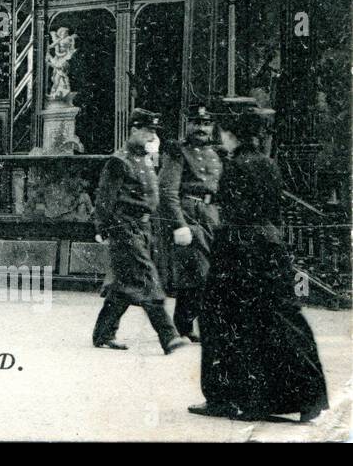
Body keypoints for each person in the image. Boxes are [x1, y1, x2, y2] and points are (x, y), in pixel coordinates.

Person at [190, 105, 329, 422]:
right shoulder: (269, 164)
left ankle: (226, 397)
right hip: (271, 248)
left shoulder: (235, 166)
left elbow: (233, 215)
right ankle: (308, 396)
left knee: (221, 320)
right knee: (280, 319)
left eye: (222, 132)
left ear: (230, 134)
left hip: (240, 251)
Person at [90, 110, 187, 355]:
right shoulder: (119, 161)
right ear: (133, 130)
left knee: (123, 284)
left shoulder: (145, 160)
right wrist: (102, 228)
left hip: (144, 228)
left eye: (153, 132)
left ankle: (103, 333)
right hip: (125, 228)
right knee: (147, 278)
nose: (151, 136)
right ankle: (169, 336)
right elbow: (104, 200)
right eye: (147, 131)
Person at [156, 104, 221, 342]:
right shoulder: (178, 152)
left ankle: (185, 325)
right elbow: (167, 191)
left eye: (206, 124)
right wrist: (179, 224)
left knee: (204, 273)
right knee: (197, 272)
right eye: (197, 123)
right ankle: (185, 325)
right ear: (189, 125)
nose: (202, 128)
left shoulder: (216, 154)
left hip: (211, 215)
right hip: (189, 214)